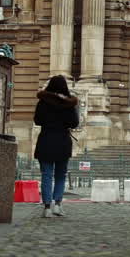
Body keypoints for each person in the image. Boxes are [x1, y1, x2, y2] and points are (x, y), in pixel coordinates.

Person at [33, 75, 79, 218]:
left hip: (46, 140)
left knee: (46, 175)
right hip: (62, 142)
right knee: (60, 175)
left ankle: (47, 207)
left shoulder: (43, 102)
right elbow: (74, 123)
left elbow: (37, 120)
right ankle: (58, 205)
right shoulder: (69, 104)